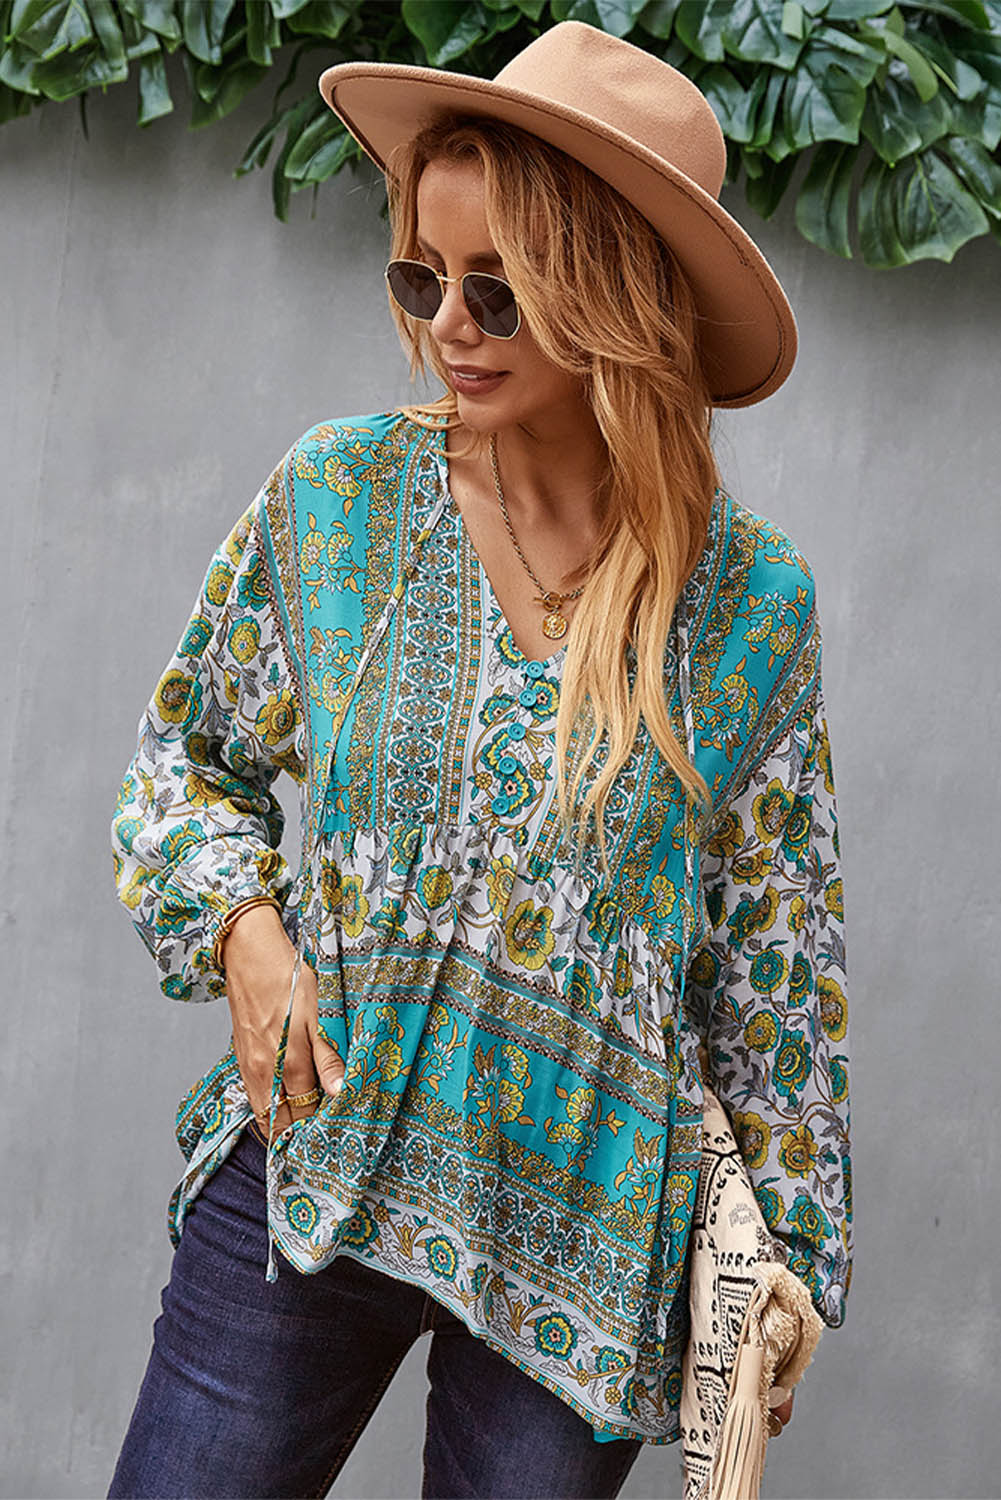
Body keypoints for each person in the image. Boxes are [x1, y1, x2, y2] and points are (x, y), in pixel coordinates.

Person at [108, 21, 851, 1500]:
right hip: (320, 1149)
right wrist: (249, 938)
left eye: (498, 292)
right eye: (420, 278)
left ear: (612, 296)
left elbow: (776, 960)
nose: (449, 324)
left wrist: (788, 1254)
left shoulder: (749, 606)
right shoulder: (339, 500)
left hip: (590, 1231)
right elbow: (180, 765)